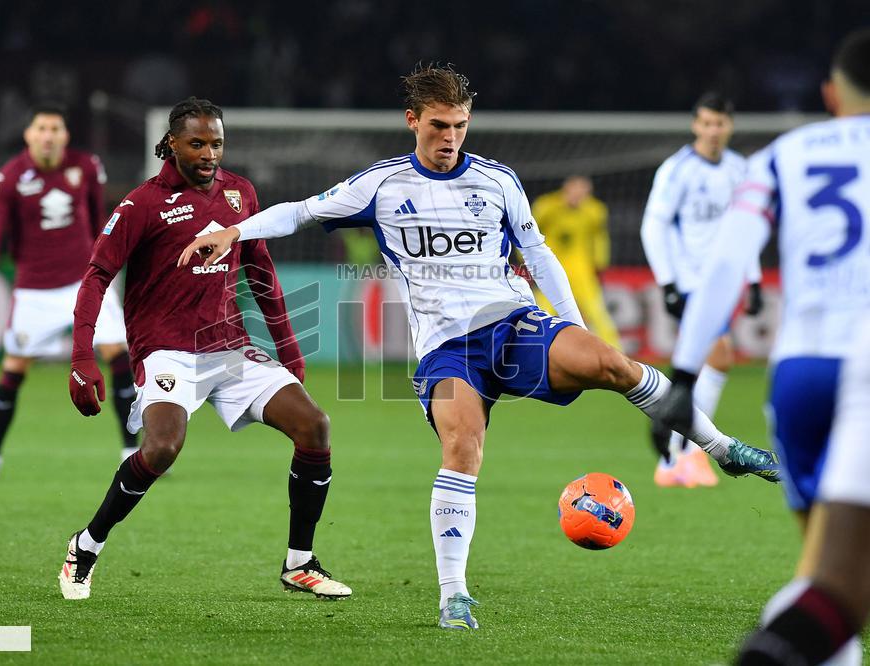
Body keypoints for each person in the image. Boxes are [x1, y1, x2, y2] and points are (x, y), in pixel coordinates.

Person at [178, 64, 781, 631]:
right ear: (412, 120)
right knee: (463, 447)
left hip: (512, 323)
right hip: (446, 349)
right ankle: (453, 593)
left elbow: (538, 255)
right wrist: (232, 230)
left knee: (612, 364)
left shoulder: (496, 181)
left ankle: (722, 449)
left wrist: (571, 325)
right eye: (439, 125)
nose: (450, 137)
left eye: (460, 125)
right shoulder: (383, 185)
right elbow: (300, 214)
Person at [59, 97, 351, 602]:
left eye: (216, 143)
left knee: (315, 427)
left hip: (230, 347)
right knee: (162, 449)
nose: (209, 153)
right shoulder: (141, 204)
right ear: (171, 145)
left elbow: (260, 270)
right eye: (197, 143)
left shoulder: (240, 193)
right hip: (166, 351)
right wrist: (83, 357)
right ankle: (85, 546)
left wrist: (289, 350)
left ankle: (300, 563)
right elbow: (96, 276)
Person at [653, 28, 870, 665]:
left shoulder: (782, 155)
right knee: (842, 583)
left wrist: (684, 375)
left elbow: (726, 262)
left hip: (803, 370)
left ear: (830, 94)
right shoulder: (700, 168)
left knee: (823, 573)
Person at [0, 104, 136, 482]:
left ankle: (130, 451)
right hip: (34, 290)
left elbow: (100, 220)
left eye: (55, 128)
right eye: (41, 128)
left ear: (64, 135)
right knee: (15, 367)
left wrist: (104, 268)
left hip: (85, 280)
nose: (48, 135)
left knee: (117, 353)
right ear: (29, 135)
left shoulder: (87, 166)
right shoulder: (8, 179)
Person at [640, 92, 765, 489]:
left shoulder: (739, 169)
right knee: (719, 355)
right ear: (696, 124)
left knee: (710, 364)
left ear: (730, 126)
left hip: (723, 281)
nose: (713, 131)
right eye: (707, 123)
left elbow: (745, 228)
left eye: (720, 123)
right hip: (691, 281)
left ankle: (679, 456)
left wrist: (755, 277)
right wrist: (668, 282)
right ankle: (683, 457)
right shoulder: (677, 170)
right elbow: (653, 225)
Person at [531, 176, 620, 349]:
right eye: (575, 190)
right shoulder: (547, 206)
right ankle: (534, 350)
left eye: (584, 192)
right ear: (565, 189)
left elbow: (599, 237)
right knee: (542, 311)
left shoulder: (594, 210)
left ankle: (616, 352)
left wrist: (600, 262)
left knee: (596, 311)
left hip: (581, 270)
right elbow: (529, 233)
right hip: (551, 268)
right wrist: (529, 263)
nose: (578, 196)